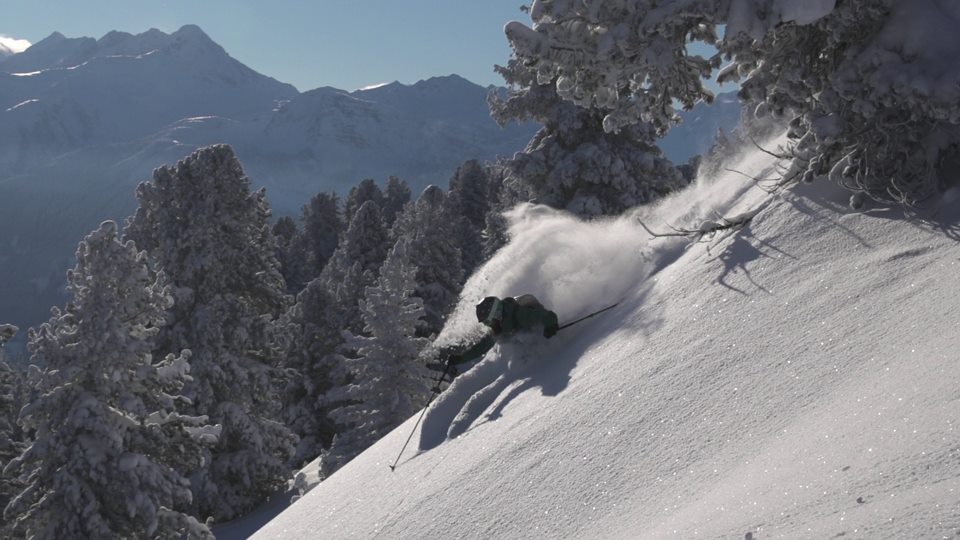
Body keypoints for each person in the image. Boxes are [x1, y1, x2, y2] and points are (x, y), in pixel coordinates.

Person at [430, 294, 559, 382]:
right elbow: (482, 347)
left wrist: (550, 326)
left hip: (545, 341)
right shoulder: (500, 327)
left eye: (488, 321)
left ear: (497, 314)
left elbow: (547, 316)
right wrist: (460, 358)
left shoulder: (520, 315)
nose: (488, 325)